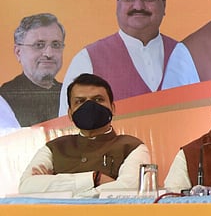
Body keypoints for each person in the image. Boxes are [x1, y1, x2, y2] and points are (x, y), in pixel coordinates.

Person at [59, 0, 197, 116]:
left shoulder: (184, 54)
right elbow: (67, 125)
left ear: (164, 4)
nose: (138, 6)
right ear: (117, 4)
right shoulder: (87, 59)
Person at [19, 73, 150, 196]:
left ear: (113, 108)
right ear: (70, 113)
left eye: (98, 99)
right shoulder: (54, 148)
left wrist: (59, 189)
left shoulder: (132, 147)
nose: (90, 106)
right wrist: (94, 178)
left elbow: (128, 190)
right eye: (80, 101)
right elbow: (26, 186)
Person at [1, 13, 66, 127]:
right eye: (39, 45)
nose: (49, 54)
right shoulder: (4, 99)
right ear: (18, 52)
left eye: (56, 45)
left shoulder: (69, 94)